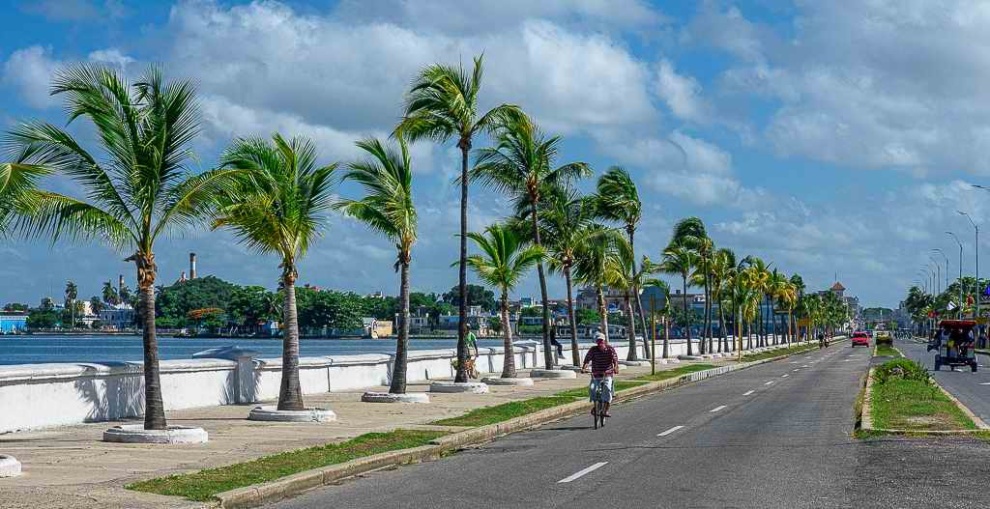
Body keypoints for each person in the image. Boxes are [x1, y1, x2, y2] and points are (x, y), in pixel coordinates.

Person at [582, 332, 619, 418]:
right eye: (598, 341)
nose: (600, 343)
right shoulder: (593, 350)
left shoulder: (610, 349)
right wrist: (584, 368)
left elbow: (615, 360)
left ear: (604, 341)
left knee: (607, 389)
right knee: (592, 389)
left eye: (601, 341)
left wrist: (616, 367)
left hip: (607, 374)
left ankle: (605, 410)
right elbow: (587, 360)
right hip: (596, 374)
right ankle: (596, 406)